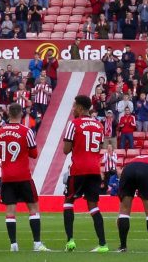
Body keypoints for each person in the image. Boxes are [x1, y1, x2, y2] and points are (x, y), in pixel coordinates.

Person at [0, 102, 50, 252]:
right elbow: (34, 154)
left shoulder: (0, 132)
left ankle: (13, 244)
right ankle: (37, 243)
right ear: (21, 114)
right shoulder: (26, 131)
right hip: (23, 175)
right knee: (33, 208)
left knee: (10, 211)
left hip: (7, 176)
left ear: (8, 113)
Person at [62, 94, 108, 252]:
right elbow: (99, 146)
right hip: (95, 169)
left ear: (80, 108)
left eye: (75, 107)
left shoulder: (73, 124)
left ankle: (70, 242)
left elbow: (65, 150)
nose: (73, 109)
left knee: (68, 202)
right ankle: (103, 245)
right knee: (93, 206)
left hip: (79, 169)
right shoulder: (98, 125)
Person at [116, 154, 148, 252]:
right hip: (146, 171)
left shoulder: (133, 159)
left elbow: (123, 174)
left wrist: (120, 214)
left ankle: (122, 247)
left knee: (124, 213)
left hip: (127, 170)